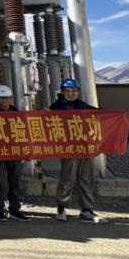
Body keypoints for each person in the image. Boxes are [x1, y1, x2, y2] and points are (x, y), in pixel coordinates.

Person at [52, 78, 108, 224]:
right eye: (67, 91)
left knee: (86, 178)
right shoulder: (56, 107)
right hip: (69, 148)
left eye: (74, 91)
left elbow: (97, 113)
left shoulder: (81, 105)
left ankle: (86, 210)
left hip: (84, 148)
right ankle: (61, 208)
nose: (71, 94)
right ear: (62, 92)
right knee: (67, 178)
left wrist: (111, 113)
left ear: (78, 92)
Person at [0, 85, 29, 221]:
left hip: (14, 152)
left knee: (14, 181)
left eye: (6, 98)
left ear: (11, 99)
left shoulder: (17, 114)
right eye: (1, 98)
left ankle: (14, 209)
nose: (4, 101)